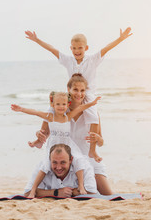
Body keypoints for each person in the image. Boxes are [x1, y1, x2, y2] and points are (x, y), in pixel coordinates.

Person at [25, 27, 132, 160]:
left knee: (93, 115)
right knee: (52, 107)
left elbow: (106, 48)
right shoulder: (68, 60)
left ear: (86, 48)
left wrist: (120, 39)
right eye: (74, 48)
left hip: (87, 95)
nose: (77, 51)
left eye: (80, 48)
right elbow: (52, 49)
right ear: (71, 48)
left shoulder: (92, 60)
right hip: (72, 93)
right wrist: (36, 40)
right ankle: (41, 138)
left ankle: (92, 150)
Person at [35, 74, 113, 195]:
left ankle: (77, 190)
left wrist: (98, 138)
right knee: (38, 189)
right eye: (75, 89)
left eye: (82, 90)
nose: (79, 94)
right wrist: (38, 134)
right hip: (64, 162)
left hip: (88, 159)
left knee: (108, 194)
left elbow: (101, 142)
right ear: (68, 89)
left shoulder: (92, 113)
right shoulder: (59, 109)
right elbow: (43, 134)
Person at [11, 91, 101, 195]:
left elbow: (80, 108)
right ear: (52, 105)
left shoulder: (68, 116)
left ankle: (81, 186)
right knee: (45, 164)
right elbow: (35, 112)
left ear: (68, 105)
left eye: (63, 104)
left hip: (67, 145)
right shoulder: (50, 117)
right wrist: (21, 109)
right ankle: (33, 189)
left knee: (79, 159)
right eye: (57, 104)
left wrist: (92, 103)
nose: (61, 107)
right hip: (53, 146)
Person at [24, 144, 97, 198]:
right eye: (54, 162)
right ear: (50, 160)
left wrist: (70, 192)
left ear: (70, 160)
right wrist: (56, 192)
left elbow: (92, 191)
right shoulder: (43, 167)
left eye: (63, 162)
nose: (58, 167)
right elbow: (27, 193)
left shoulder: (84, 166)